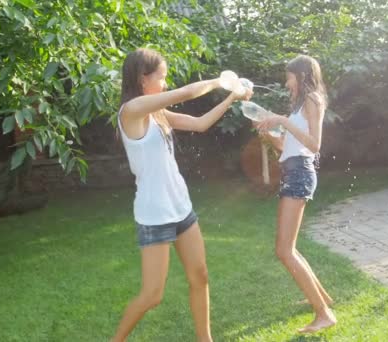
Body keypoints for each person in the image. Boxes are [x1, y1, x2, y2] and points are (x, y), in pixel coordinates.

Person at [112, 48, 252, 342]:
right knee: (152, 296)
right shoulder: (131, 111)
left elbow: (200, 124)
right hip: (154, 215)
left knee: (200, 276)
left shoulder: (158, 114)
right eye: (161, 77)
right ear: (142, 78)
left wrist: (232, 98)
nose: (164, 83)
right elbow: (187, 93)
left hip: (181, 208)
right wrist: (221, 81)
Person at [255, 55, 336, 334]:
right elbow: (285, 148)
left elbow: (314, 145)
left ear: (301, 76)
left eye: (289, 76)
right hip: (293, 170)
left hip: (301, 173)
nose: (286, 82)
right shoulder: (300, 105)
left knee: (284, 250)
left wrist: (283, 122)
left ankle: (323, 314)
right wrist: (268, 134)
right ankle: (322, 299)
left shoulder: (313, 99)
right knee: (289, 248)